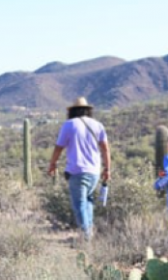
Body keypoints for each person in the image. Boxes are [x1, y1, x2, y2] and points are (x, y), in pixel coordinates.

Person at [47, 97, 111, 242]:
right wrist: (107, 169)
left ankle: (86, 236)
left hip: (77, 171)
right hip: (94, 171)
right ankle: (89, 233)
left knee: (79, 204)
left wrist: (52, 164)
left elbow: (58, 148)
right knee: (88, 201)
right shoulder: (98, 125)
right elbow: (105, 149)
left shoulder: (69, 125)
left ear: (72, 111)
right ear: (88, 110)